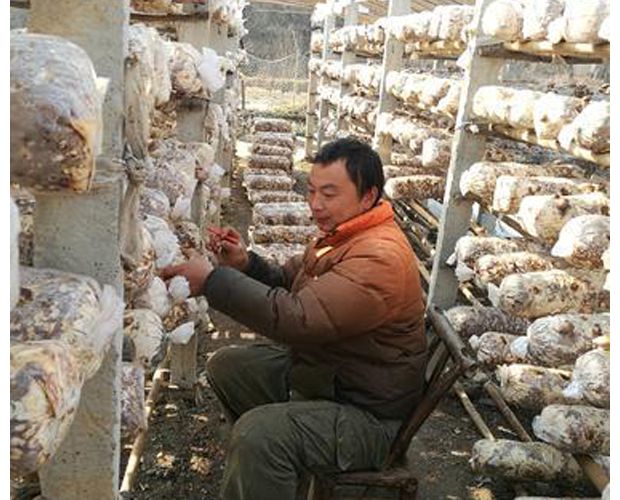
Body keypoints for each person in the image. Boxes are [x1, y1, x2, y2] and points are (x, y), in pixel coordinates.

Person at [161, 137, 427, 500]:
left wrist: (212, 280)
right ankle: (269, 475)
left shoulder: (379, 258)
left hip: (367, 416)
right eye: (312, 190)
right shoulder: (343, 235)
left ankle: (267, 456)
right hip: (333, 376)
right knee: (228, 366)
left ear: (368, 196)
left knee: (259, 436)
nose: (315, 204)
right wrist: (246, 263)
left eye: (329, 194)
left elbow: (300, 319)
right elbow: (290, 281)